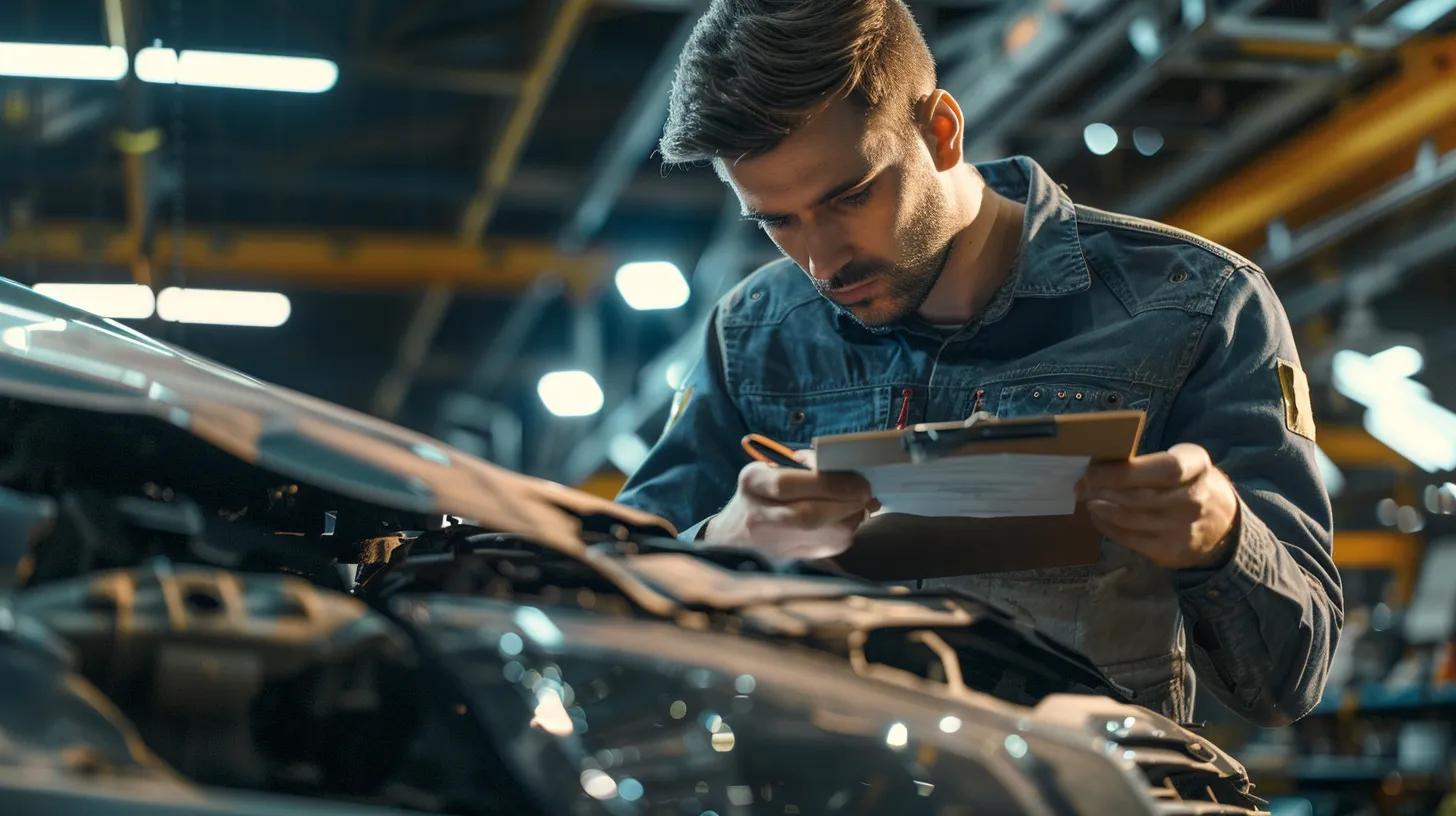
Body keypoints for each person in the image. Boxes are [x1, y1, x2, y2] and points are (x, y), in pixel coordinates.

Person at [615, 0, 1340, 726]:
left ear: (941, 130)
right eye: (776, 220)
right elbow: (603, 599)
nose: (819, 260)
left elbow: (1288, 684)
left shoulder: (1200, 306)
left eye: (851, 196)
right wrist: (723, 542)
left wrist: (1221, 537)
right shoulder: (756, 331)